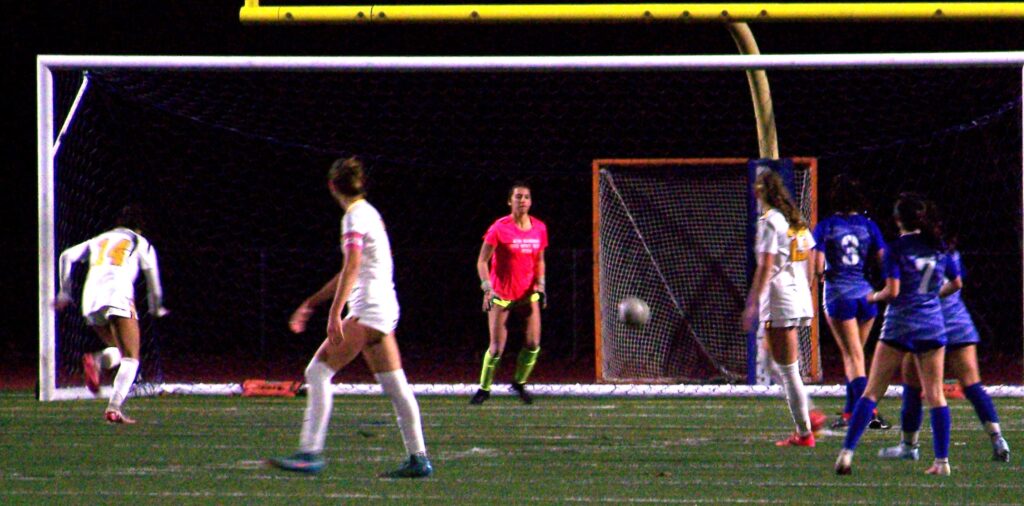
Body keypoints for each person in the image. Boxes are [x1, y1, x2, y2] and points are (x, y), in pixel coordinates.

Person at [269, 156, 432, 478]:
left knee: (317, 372)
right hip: (384, 307)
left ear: (332, 186)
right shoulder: (370, 212)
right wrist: (313, 302)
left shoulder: (353, 217)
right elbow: (350, 269)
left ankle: (310, 453)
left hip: (368, 309)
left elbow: (353, 266)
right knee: (396, 386)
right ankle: (419, 458)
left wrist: (334, 313)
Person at [835, 192, 959, 476]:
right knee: (935, 395)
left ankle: (846, 454)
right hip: (930, 324)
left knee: (872, 392)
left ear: (897, 220)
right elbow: (957, 283)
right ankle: (942, 462)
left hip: (900, 324)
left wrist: (873, 296)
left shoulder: (896, 249)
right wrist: (930, 296)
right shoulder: (937, 246)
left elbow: (893, 292)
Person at [877, 243, 1010, 463]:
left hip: (927, 322)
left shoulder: (912, 251)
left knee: (913, 384)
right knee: (972, 385)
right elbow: (957, 282)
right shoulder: (950, 253)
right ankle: (998, 440)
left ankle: (909, 446)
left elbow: (904, 288)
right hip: (957, 322)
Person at [54, 205, 169, 424]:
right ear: (140, 227)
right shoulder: (141, 242)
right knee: (131, 359)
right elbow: (153, 283)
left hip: (90, 300)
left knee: (119, 350)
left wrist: (65, 292)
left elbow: (66, 256)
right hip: (117, 294)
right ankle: (114, 408)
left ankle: (97, 361)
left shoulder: (100, 239)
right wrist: (156, 308)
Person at [742, 169, 823, 447]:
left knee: (788, 370)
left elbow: (765, 265)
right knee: (771, 362)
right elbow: (811, 260)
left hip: (780, 299)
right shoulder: (796, 220)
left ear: (760, 191)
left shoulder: (769, 221)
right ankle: (809, 416)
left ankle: (805, 431)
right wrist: (804, 289)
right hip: (798, 297)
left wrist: (753, 303)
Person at [812, 175, 891, 430]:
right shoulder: (869, 226)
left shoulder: (826, 226)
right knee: (855, 356)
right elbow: (884, 260)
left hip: (840, 296)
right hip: (866, 296)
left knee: (853, 356)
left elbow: (817, 266)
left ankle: (870, 412)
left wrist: (822, 275)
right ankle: (849, 412)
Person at [470, 181, 548, 405]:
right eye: (518, 196)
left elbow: (540, 260)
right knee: (496, 349)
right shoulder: (499, 228)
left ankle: (519, 383)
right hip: (502, 295)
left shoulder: (539, 228)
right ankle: (484, 389)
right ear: (509, 201)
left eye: (526, 197)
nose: (522, 200)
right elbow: (482, 261)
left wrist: (541, 284)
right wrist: (487, 288)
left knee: (533, 343)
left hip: (527, 295)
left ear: (531, 202)